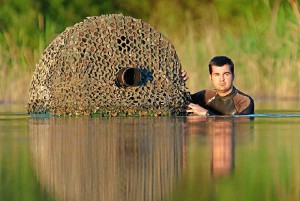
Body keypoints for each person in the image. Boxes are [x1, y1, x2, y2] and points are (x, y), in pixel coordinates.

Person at [184, 56, 254, 116]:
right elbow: (179, 102)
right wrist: (179, 81)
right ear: (211, 77)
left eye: (226, 74)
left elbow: (242, 124)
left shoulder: (244, 101)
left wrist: (206, 113)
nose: (222, 79)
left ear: (233, 76)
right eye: (217, 75)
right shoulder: (205, 96)